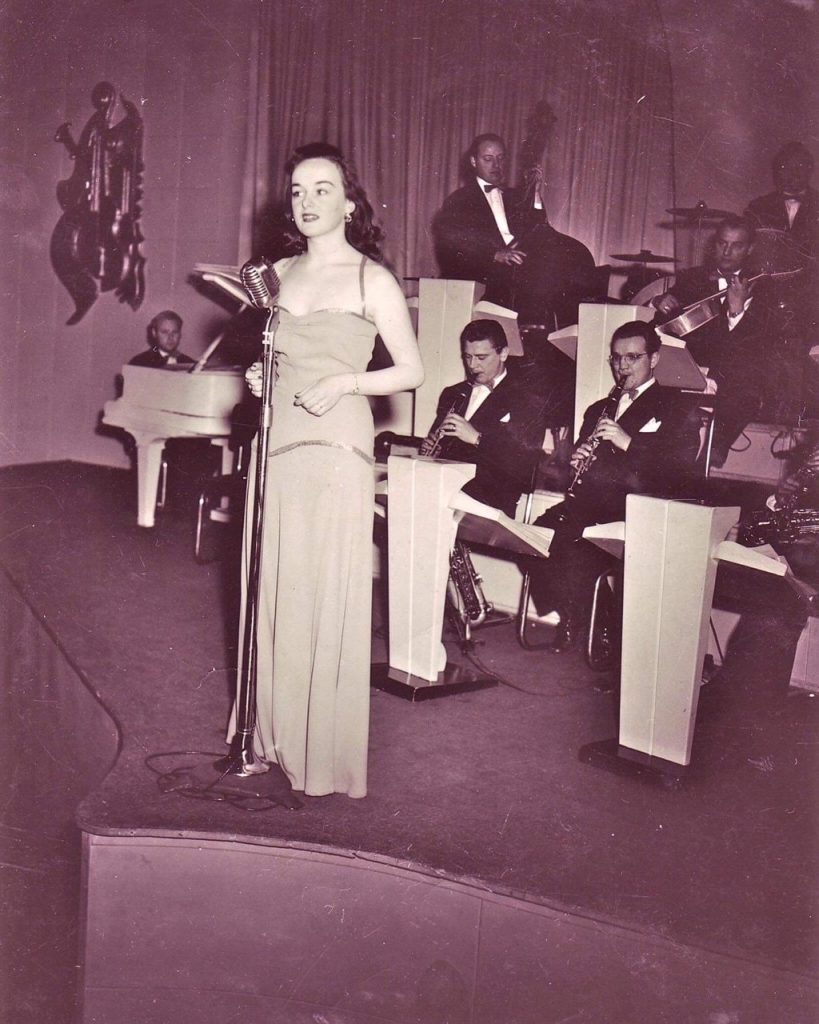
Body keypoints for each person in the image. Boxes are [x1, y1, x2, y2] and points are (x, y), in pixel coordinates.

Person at [231, 142, 423, 799]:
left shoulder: (373, 279)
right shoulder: (277, 272)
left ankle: (322, 757)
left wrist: (345, 382)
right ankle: (270, 742)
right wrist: (259, 375)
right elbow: (270, 356)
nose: (307, 201)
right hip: (276, 441)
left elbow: (411, 370)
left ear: (349, 202)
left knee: (325, 589)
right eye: (297, 191)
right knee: (274, 587)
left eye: (322, 189)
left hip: (336, 447)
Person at [529, 320, 700, 652]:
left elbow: (678, 471)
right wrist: (576, 461)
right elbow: (573, 467)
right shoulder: (597, 409)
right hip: (592, 504)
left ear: (654, 359)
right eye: (617, 358)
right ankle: (587, 615)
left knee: (578, 549)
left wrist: (628, 443)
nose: (622, 366)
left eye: (633, 357)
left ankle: (595, 622)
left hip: (637, 508)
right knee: (537, 535)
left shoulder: (677, 405)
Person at [432, 133, 597, 328]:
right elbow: (453, 244)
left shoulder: (513, 197)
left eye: (500, 158)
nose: (496, 165)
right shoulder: (459, 201)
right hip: (486, 272)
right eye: (488, 159)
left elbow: (539, 229)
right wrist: (495, 255)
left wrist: (534, 193)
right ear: (473, 161)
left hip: (520, 267)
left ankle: (564, 334)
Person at [651, 216, 775, 467]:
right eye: (721, 243)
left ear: (750, 249)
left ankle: (708, 459)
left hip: (733, 379)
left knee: (743, 391)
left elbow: (756, 351)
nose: (727, 251)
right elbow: (661, 327)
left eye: (736, 245)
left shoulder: (764, 288)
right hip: (691, 374)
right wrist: (658, 302)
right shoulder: (691, 279)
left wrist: (737, 310)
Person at [419, 319, 554, 517]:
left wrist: (476, 438)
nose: (473, 365)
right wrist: (431, 451)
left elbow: (522, 465)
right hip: (444, 491)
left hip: (489, 501)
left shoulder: (527, 399)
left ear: (504, 354)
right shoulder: (453, 393)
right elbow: (440, 449)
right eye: (468, 357)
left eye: (481, 357)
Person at [129, 310, 193, 367]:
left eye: (175, 332)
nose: (170, 337)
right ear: (154, 333)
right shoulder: (139, 363)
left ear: (180, 334)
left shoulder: (191, 364)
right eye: (165, 332)